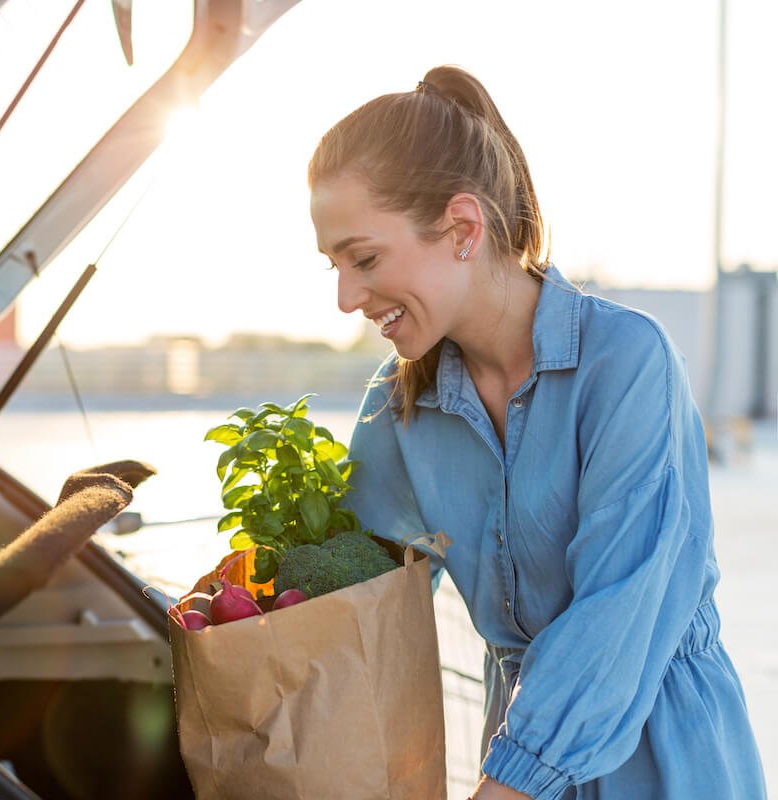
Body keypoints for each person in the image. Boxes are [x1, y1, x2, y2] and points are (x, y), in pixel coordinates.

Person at [308, 65, 767, 800]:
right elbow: (350, 604)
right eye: (334, 266)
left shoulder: (626, 364)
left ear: (462, 228)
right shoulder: (396, 410)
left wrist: (505, 788)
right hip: (515, 767)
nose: (345, 297)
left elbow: (616, 614)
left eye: (363, 259)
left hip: (666, 761)